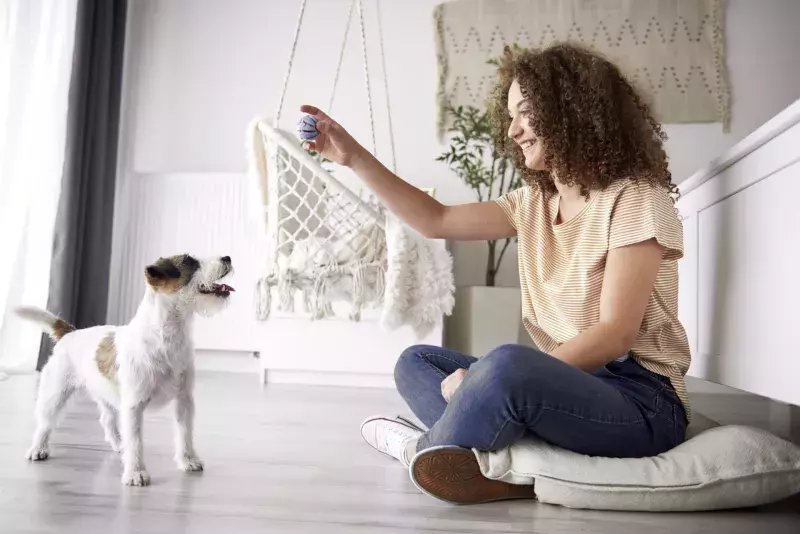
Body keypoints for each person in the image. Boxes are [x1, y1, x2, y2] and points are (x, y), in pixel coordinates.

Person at [300, 42, 690, 505]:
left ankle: (422, 450)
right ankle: (487, 445)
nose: (514, 129)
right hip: (566, 390)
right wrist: (353, 158)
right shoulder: (532, 205)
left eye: (526, 112)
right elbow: (436, 219)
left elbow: (613, 336)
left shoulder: (635, 198)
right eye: (511, 115)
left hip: (641, 402)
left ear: (571, 110)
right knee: (416, 362)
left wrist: (487, 378)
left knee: (505, 365)